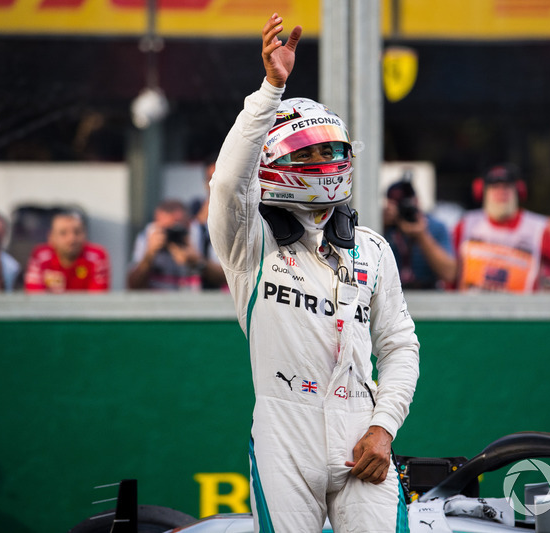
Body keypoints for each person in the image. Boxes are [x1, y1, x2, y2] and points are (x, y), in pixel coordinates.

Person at [207, 13, 419, 532]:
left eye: (334, 150)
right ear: (277, 158)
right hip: (284, 432)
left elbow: (400, 346)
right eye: (313, 150)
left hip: (362, 437)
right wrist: (270, 89)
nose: (329, 160)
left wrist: (383, 427)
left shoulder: (371, 249)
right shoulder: (249, 245)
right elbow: (229, 181)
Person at [454, 164, 550, 293]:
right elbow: (449, 271)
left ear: (519, 191)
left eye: (507, 187)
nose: (501, 192)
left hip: (522, 313)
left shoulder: (538, 228)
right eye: (495, 187)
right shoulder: (466, 225)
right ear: (481, 191)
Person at [383, 178, 457, 289]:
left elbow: (450, 274)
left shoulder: (434, 227)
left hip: (428, 294)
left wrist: (422, 236)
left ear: (417, 201)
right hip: (391, 293)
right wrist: (383, 225)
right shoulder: (385, 227)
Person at [23, 210, 109, 292]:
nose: (71, 239)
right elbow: (34, 300)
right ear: (51, 237)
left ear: (84, 234)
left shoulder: (96, 257)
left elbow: (97, 301)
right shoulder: (40, 256)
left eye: (77, 232)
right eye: (63, 233)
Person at [127, 199, 204, 291]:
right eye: (167, 229)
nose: (172, 234)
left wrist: (197, 262)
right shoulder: (147, 236)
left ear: (188, 223)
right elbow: (132, 286)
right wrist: (149, 255)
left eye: (177, 228)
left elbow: (222, 277)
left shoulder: (201, 234)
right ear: (156, 224)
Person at [188, 158, 227, 290]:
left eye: (222, 178)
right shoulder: (193, 213)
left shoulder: (249, 215)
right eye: (211, 178)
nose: (216, 184)